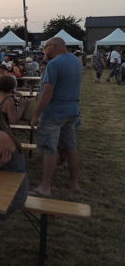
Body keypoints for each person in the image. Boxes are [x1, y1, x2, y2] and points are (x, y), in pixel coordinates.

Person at [30, 37, 82, 197]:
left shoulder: (54, 64)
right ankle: (74, 183)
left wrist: (36, 115)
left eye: (45, 48)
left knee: (49, 148)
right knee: (71, 146)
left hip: (54, 112)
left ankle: (45, 187)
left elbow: (47, 92)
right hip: (72, 109)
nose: (44, 51)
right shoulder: (76, 60)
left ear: (52, 47)